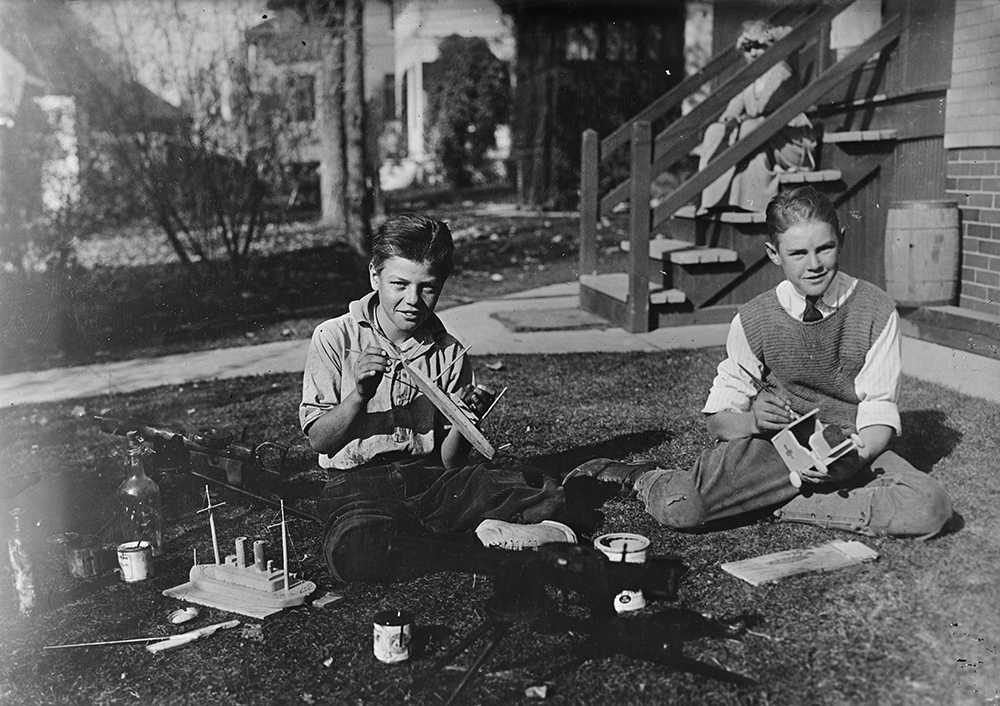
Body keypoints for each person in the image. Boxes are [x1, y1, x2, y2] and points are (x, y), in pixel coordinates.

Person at [566, 186, 953, 539]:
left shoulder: (875, 308)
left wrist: (852, 463)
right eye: (798, 253)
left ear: (841, 242)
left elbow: (878, 413)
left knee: (928, 506)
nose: (814, 264)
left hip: (851, 448)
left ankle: (770, 502)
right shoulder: (755, 319)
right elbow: (719, 419)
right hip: (775, 452)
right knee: (684, 507)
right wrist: (753, 420)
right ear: (774, 254)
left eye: (825, 248)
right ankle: (643, 477)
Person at [301, 213, 601, 583]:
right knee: (354, 546)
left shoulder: (449, 351)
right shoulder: (334, 337)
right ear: (374, 277)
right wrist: (360, 395)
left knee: (539, 488)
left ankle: (441, 537)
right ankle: (478, 538)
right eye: (399, 284)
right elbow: (319, 439)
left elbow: (449, 462)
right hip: (357, 485)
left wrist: (465, 423)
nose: (413, 300)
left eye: (427, 287)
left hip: (430, 481)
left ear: (441, 284)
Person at [697, 20, 816, 213]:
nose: (753, 53)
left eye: (759, 47)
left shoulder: (785, 66)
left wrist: (769, 34)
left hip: (790, 140)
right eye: (748, 48)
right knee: (715, 131)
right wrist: (730, 121)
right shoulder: (749, 78)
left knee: (750, 129)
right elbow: (733, 108)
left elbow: (796, 37)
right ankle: (710, 199)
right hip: (759, 139)